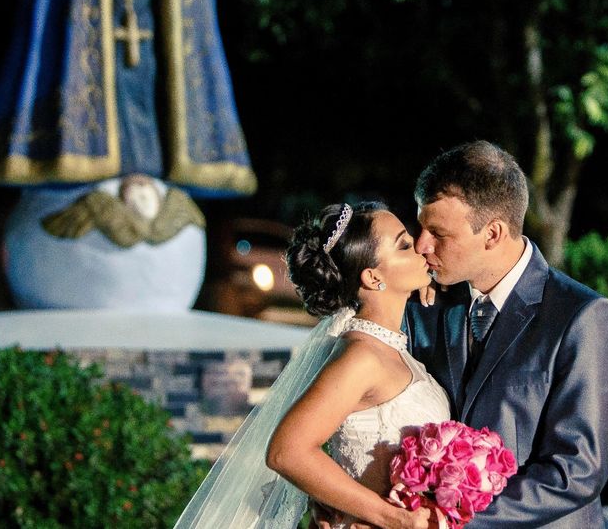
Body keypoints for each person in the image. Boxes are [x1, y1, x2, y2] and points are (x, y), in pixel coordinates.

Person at [174, 202, 448, 529]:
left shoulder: (391, 348)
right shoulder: (362, 357)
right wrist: (393, 517)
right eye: (404, 245)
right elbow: (286, 451)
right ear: (373, 277)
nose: (420, 248)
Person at [403, 140, 608, 527]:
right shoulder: (424, 304)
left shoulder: (583, 318)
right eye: (421, 227)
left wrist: (446, 520)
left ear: (492, 234)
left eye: (439, 233)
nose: (421, 245)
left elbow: (574, 472)